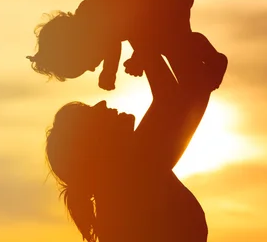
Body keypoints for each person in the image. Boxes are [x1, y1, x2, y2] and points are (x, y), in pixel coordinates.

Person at [45, 46, 215, 242]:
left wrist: (145, 47)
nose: (102, 104)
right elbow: (173, 98)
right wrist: (141, 39)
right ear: (96, 144)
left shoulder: (122, 180)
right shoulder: (131, 174)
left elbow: (183, 101)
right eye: (93, 114)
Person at [26, 0, 227, 91]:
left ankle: (215, 60)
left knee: (176, 41)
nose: (91, 69)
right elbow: (137, 29)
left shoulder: (94, 20)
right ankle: (209, 61)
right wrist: (138, 57)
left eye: (86, 65)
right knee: (172, 42)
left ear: (78, 47)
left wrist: (109, 73)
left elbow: (117, 40)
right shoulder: (93, 21)